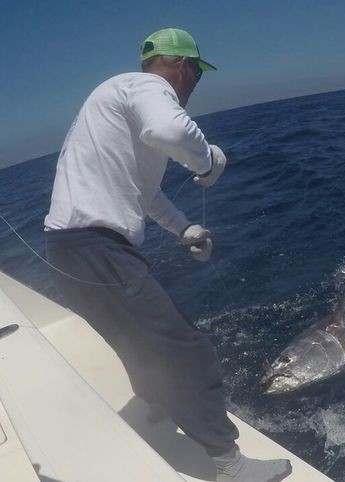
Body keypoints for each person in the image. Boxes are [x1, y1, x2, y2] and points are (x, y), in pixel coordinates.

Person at [44, 28, 291, 482]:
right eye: (197, 73)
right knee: (187, 350)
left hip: (66, 251)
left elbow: (145, 193)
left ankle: (156, 403)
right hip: (99, 249)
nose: (195, 84)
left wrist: (185, 228)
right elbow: (170, 130)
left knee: (133, 340)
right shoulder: (145, 86)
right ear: (181, 66)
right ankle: (229, 464)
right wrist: (208, 161)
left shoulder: (113, 102)